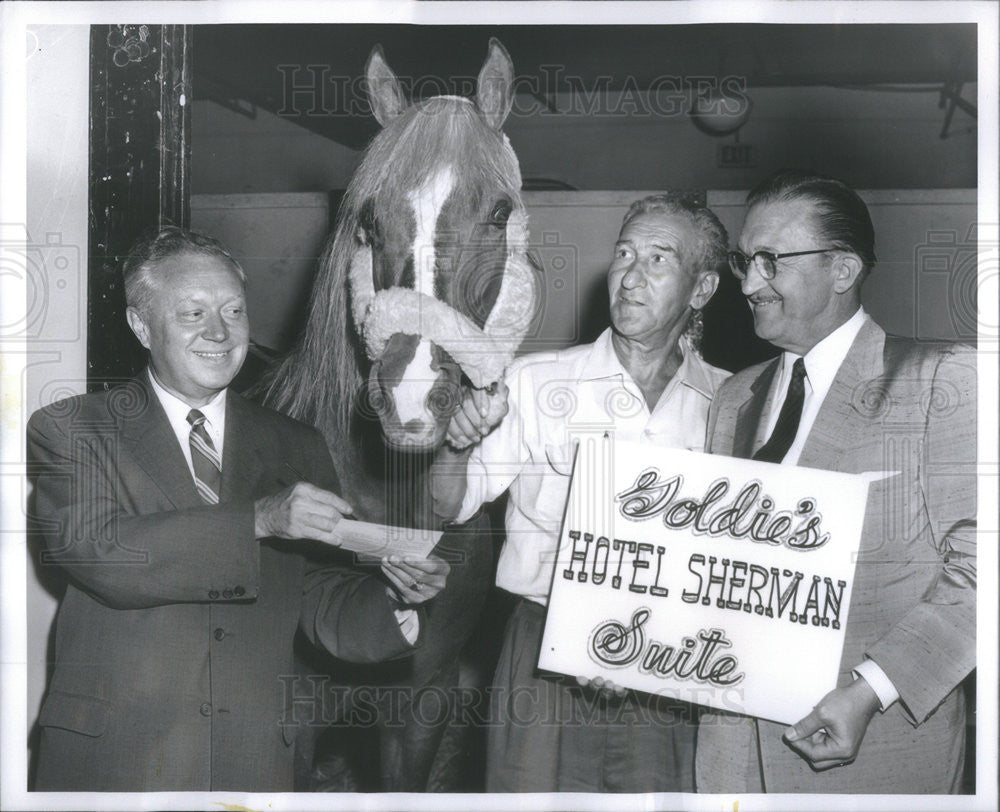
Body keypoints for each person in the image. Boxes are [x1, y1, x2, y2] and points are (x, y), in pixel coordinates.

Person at [26, 227, 449, 791]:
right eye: (192, 313)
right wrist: (258, 518)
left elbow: (316, 597)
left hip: (252, 762)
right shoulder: (76, 427)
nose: (219, 333)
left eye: (233, 310)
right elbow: (102, 554)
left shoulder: (296, 443)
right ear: (140, 325)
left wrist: (396, 594)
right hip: (116, 759)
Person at [431, 194, 731, 792]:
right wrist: (457, 443)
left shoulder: (732, 402)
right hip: (544, 656)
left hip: (673, 663)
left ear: (702, 289)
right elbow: (447, 503)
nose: (631, 274)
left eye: (658, 258)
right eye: (624, 253)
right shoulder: (535, 381)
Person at [695, 170, 976, 794]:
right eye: (745, 261)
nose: (748, 282)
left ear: (843, 271)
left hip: (874, 746)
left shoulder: (941, 383)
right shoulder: (734, 397)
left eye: (770, 260)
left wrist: (871, 690)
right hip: (730, 752)